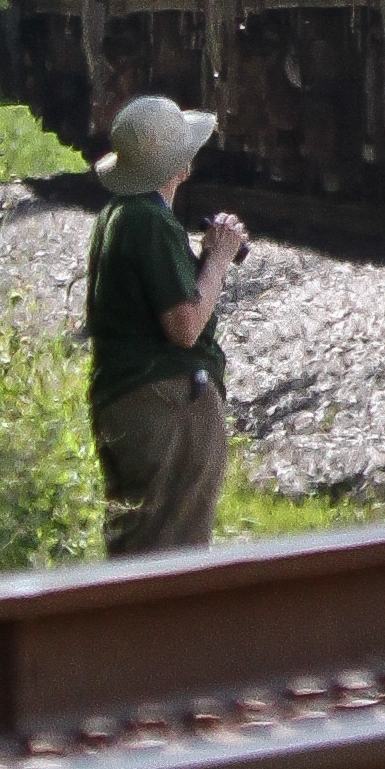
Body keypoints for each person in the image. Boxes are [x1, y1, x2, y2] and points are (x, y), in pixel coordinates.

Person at [84, 93, 244, 555]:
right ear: (180, 167)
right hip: (165, 405)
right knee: (174, 555)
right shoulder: (149, 222)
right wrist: (217, 258)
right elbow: (186, 325)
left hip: (125, 399)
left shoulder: (117, 216)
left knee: (136, 549)